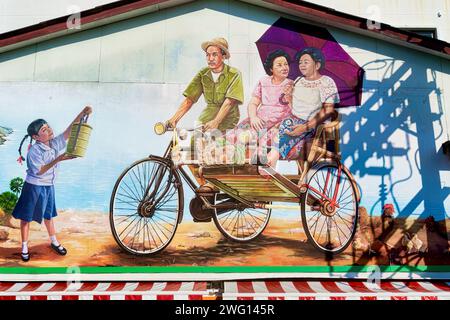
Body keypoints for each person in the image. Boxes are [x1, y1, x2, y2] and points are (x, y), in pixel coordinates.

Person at [12, 106, 93, 262]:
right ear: (36, 136)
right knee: (26, 218)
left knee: (49, 215)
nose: (49, 130)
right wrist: (59, 159)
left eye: (48, 126)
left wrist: (82, 113)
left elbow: (70, 130)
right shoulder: (35, 151)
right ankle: (24, 246)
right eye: (44, 129)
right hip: (34, 186)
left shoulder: (54, 143)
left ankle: (54, 241)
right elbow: (40, 171)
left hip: (49, 185)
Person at [165, 37, 244, 193]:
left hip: (227, 117)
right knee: (187, 150)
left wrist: (216, 122)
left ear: (223, 55)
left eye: (214, 54)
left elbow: (229, 103)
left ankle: (213, 184)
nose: (210, 58)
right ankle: (204, 185)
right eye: (208, 55)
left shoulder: (234, 74)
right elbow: (189, 99)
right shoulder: (203, 74)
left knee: (209, 145)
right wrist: (173, 119)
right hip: (208, 114)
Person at [267, 47, 340, 169]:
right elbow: (294, 108)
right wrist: (288, 96)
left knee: (286, 127)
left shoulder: (326, 82)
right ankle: (270, 162)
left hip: (316, 125)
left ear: (317, 65)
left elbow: (328, 110)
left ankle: (271, 160)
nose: (302, 65)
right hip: (295, 120)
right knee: (273, 130)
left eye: (306, 62)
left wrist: (304, 127)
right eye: (300, 62)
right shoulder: (299, 80)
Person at [220, 49, 293, 164]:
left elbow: (295, 110)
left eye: (286, 64)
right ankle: (230, 161)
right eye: (279, 65)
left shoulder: (291, 84)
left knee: (265, 143)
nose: (284, 67)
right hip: (259, 120)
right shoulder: (264, 81)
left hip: (277, 123)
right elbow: (253, 103)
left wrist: (290, 97)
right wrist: (253, 117)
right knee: (240, 136)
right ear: (271, 69)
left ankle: (264, 170)